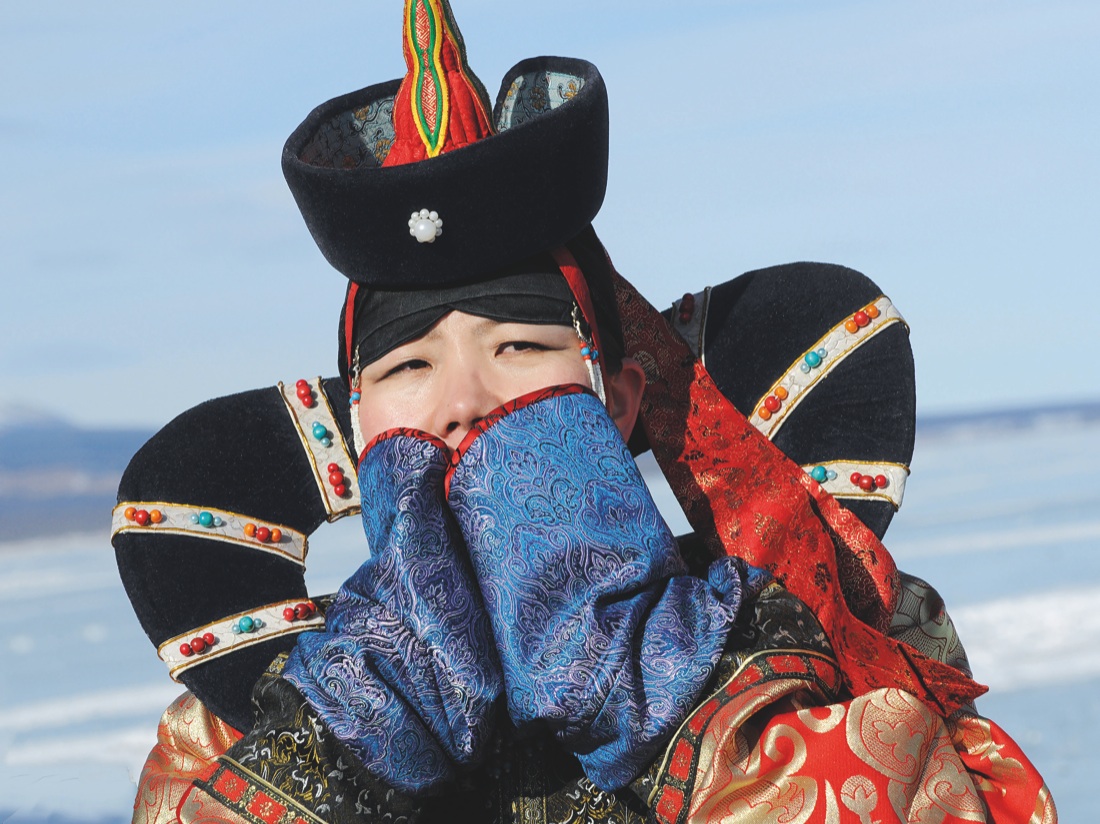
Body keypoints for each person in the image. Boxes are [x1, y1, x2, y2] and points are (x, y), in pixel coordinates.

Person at [115, 2, 1056, 822]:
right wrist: (347, 740)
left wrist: (678, 702)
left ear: (618, 400)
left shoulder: (809, 640)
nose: (464, 402)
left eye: (521, 348)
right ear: (357, 427)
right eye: (408, 364)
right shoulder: (240, 723)